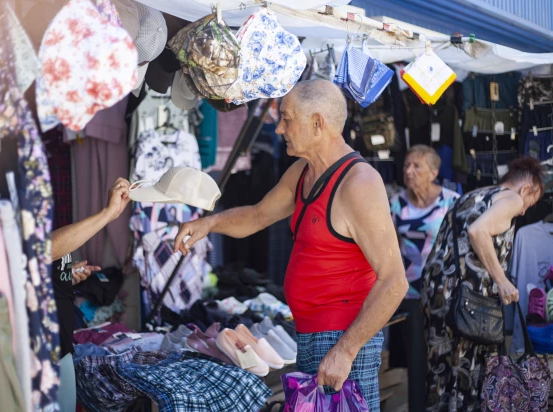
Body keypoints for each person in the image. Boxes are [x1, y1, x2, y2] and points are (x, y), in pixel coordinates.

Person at [174, 79, 408, 411]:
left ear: (317, 123)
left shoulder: (359, 183)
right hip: (311, 334)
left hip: (341, 337)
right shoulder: (303, 171)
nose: (279, 127)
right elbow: (256, 216)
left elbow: (395, 281)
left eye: (287, 118)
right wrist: (208, 223)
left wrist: (345, 351)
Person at [421, 157, 544, 411]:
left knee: (443, 374)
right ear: (526, 189)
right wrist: (502, 281)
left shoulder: (471, 196)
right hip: (469, 302)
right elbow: (479, 231)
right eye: (529, 205)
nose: (522, 212)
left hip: (437, 295)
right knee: (470, 374)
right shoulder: (512, 198)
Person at [49, 177, 132, 411]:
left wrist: (64, 274)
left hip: (61, 347)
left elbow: (37, 265)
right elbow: (43, 251)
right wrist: (108, 213)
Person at [389, 145, 459, 411]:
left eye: (416, 166)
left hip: (443, 292)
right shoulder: (396, 204)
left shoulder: (451, 202)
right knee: (417, 360)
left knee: (445, 356)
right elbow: (388, 246)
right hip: (409, 294)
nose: (409, 171)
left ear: (434, 172)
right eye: (407, 165)